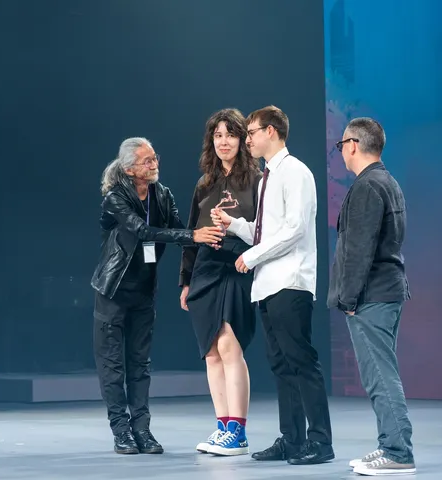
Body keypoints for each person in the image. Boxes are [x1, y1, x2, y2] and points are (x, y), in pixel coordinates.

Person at [211, 105, 334, 465]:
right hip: (267, 285)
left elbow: (294, 230)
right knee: (281, 365)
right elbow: (265, 231)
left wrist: (251, 257)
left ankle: (321, 441)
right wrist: (234, 224)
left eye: (251, 133)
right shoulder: (267, 178)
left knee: (302, 362)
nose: (246, 140)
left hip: (290, 282)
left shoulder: (296, 172)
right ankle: (292, 439)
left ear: (271, 132)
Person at [91, 137, 225, 455]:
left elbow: (177, 229)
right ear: (129, 169)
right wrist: (192, 235)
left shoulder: (161, 194)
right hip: (113, 291)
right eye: (147, 161)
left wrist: (207, 232)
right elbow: (141, 231)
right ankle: (121, 431)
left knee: (140, 364)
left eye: (155, 158)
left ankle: (142, 430)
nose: (154, 165)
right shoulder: (115, 197)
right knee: (113, 366)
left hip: (143, 291)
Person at [328, 117, 415, 476]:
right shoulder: (387, 182)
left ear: (352, 145)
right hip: (386, 290)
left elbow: (359, 250)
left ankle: (397, 452)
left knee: (380, 375)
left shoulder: (367, 186)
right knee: (382, 372)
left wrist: (348, 299)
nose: (340, 152)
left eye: (341, 145)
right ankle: (390, 445)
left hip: (371, 296)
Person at [179, 109, 262, 456]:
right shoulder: (204, 184)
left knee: (230, 346)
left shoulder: (257, 180)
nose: (223, 142)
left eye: (230, 135)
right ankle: (223, 426)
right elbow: (191, 234)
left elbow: (265, 230)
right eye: (217, 136)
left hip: (237, 267)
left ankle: (238, 432)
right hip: (205, 271)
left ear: (242, 139)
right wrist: (185, 281)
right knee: (211, 351)